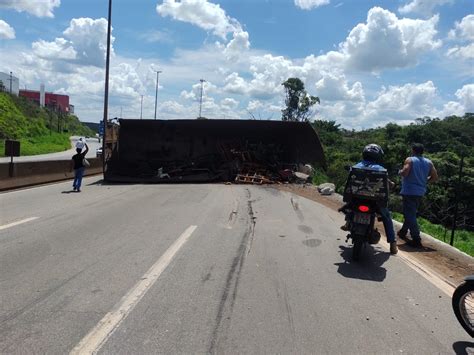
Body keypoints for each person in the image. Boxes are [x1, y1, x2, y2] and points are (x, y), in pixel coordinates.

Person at [341, 144, 398, 255]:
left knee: (349, 206)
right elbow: (386, 181)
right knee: (386, 217)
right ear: (378, 157)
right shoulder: (381, 169)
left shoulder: (357, 166)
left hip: (357, 198)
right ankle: (393, 244)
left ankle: (348, 223)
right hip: (375, 202)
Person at [398, 143, 438, 248]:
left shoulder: (410, 160)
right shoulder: (429, 162)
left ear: (413, 150)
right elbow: (435, 177)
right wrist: (424, 181)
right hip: (420, 192)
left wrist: (400, 172)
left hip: (409, 191)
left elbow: (405, 172)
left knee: (410, 214)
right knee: (411, 212)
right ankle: (403, 232)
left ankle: (416, 239)